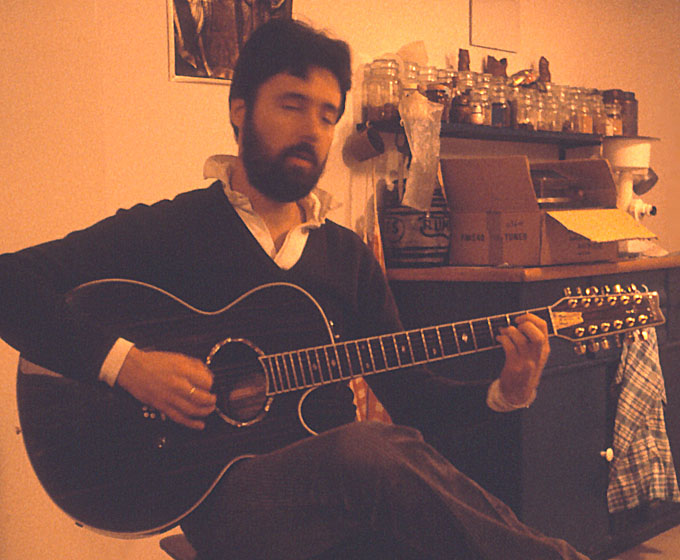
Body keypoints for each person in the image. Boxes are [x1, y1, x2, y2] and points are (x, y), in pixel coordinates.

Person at [0, 18, 590, 560]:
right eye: (292, 104)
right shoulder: (172, 230)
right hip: (228, 506)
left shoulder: (346, 257)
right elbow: (9, 283)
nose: (313, 131)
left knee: (388, 464)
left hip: (345, 503)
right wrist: (126, 365)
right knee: (368, 448)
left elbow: (414, 398)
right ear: (239, 111)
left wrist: (504, 393)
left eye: (329, 115)